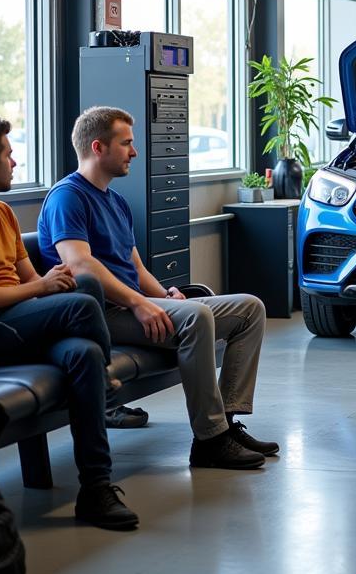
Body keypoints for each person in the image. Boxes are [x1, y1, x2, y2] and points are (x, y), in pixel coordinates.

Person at [0, 116, 138, 531]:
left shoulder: (1, 212)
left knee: (84, 351)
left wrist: (51, 283)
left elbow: (27, 278)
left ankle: (96, 488)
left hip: (16, 322)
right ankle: (109, 380)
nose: (15, 162)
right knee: (84, 302)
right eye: (8, 155)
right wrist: (43, 289)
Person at [37, 106, 277, 470]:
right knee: (196, 316)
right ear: (98, 147)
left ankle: (226, 423)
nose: (134, 152)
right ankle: (210, 441)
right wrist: (139, 303)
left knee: (249, 308)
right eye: (126, 144)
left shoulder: (115, 201)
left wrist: (163, 295)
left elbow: (134, 265)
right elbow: (79, 265)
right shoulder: (67, 197)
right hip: (100, 314)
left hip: (132, 304)